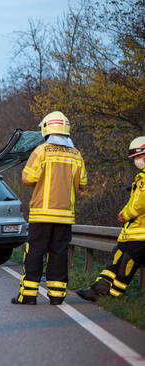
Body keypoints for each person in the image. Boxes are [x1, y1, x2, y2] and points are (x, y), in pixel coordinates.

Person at [12, 111, 87, 306]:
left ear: (46, 129)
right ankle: (57, 295)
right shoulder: (76, 154)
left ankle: (28, 295)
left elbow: (28, 178)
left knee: (35, 252)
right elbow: (83, 182)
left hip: (41, 214)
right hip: (64, 216)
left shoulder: (41, 151)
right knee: (59, 253)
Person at [77, 136, 144, 301]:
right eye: (135, 158)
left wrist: (125, 215)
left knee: (127, 265)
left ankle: (113, 297)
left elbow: (141, 204)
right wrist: (123, 212)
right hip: (131, 233)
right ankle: (98, 289)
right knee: (114, 260)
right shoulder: (140, 178)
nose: (137, 161)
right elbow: (134, 202)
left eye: (139, 157)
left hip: (141, 235)